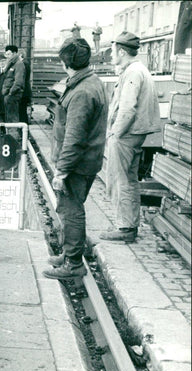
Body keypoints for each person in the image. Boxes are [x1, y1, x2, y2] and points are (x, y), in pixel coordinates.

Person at [43, 37, 107, 280]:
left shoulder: (81, 92)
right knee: (68, 208)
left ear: (65, 63)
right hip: (86, 161)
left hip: (77, 165)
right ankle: (69, 253)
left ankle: (73, 264)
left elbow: (74, 138)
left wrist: (61, 171)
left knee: (71, 212)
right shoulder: (89, 81)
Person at [101, 32, 160, 243]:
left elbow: (127, 110)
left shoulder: (133, 73)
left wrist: (114, 134)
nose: (110, 56)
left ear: (122, 51)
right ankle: (129, 224)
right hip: (135, 134)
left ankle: (125, 228)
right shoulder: (137, 70)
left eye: (113, 52)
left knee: (120, 180)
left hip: (126, 134)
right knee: (130, 180)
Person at [0, 45, 26, 126]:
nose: (7, 56)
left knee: (12, 119)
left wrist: (11, 93)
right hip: (8, 95)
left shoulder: (19, 64)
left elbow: (19, 81)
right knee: (9, 118)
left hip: (13, 95)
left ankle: (14, 137)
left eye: (9, 54)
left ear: (15, 53)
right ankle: (11, 136)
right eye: (6, 54)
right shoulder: (11, 64)